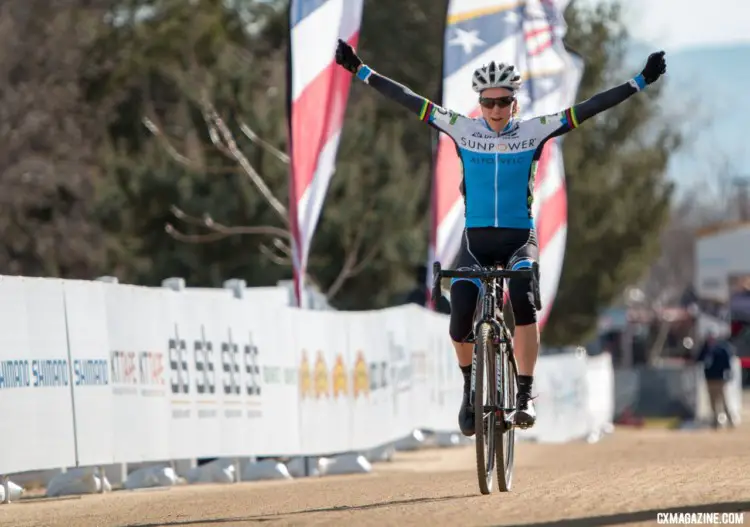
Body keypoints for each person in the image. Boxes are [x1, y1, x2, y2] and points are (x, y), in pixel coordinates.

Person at [334, 39, 666, 436]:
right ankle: (470, 387)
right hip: (475, 244)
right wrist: (360, 70)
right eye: (488, 102)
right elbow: (409, 99)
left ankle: (524, 394)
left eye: (502, 102)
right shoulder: (461, 129)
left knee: (523, 299)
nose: (494, 110)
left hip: (518, 241)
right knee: (458, 323)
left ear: (515, 103)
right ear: (479, 103)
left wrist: (640, 81)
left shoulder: (534, 132)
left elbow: (590, 107)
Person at [697, 328, 736, 429]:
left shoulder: (721, 349)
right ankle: (715, 420)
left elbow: (727, 363)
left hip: (719, 378)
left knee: (723, 399)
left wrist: (727, 374)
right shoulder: (705, 349)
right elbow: (699, 359)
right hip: (709, 378)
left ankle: (730, 419)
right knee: (712, 400)